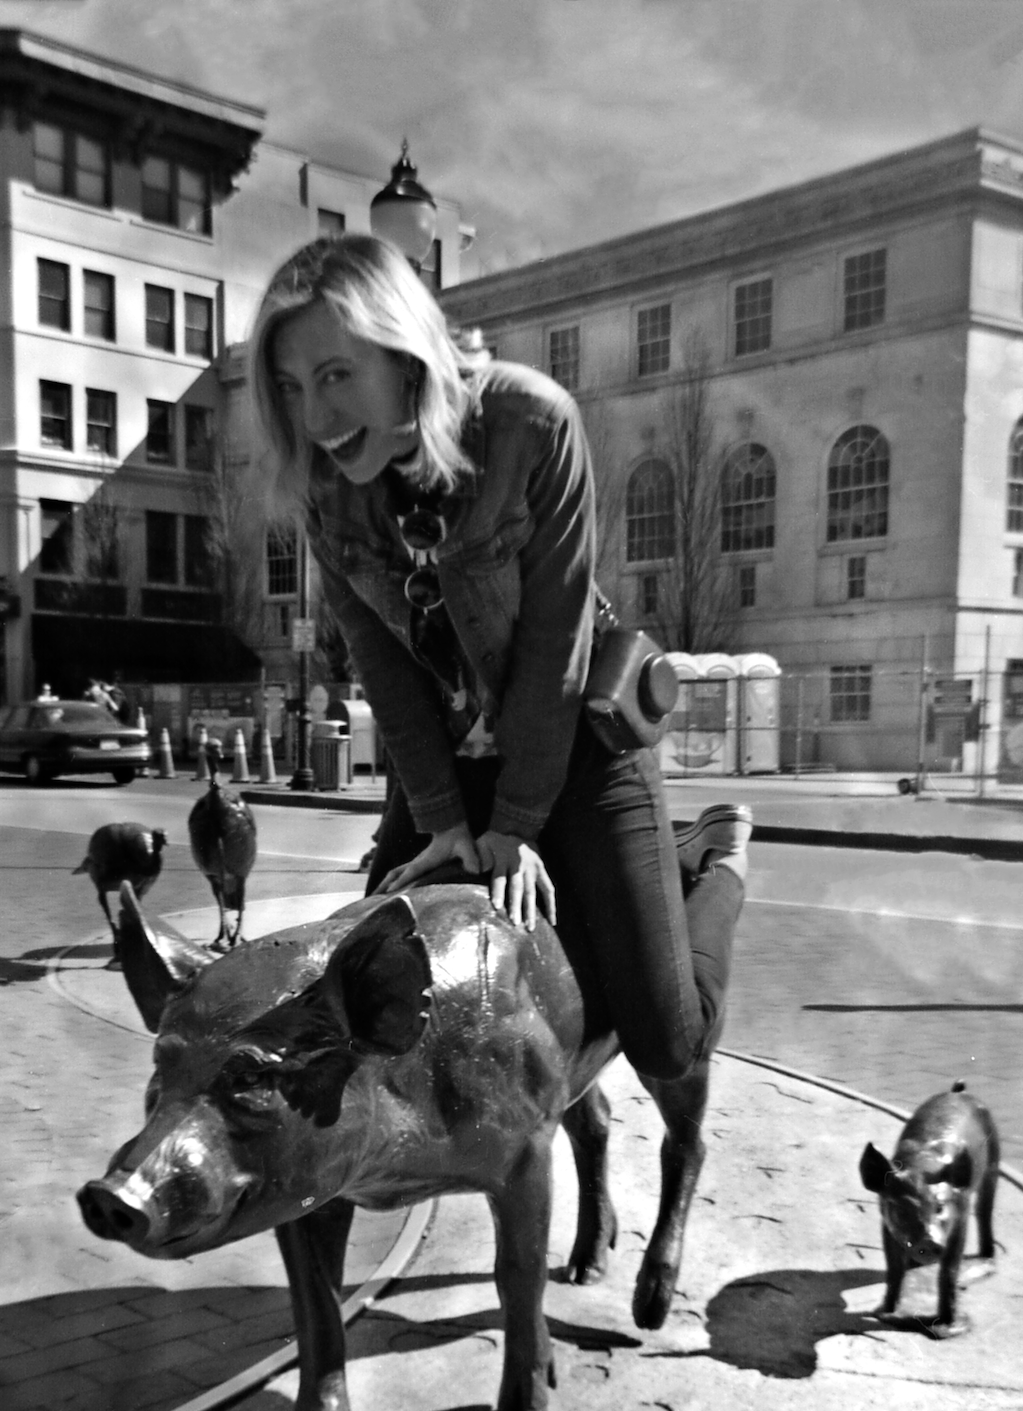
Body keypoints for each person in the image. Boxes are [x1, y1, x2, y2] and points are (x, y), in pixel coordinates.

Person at [248, 233, 750, 1083]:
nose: (318, 419)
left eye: (337, 374)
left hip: (580, 746)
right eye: (294, 388)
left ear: (404, 352)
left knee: (670, 1044)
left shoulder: (530, 422)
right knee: (359, 1008)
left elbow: (556, 646)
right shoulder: (323, 490)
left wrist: (515, 828)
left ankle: (716, 861)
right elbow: (384, 667)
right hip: (448, 762)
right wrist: (446, 821)